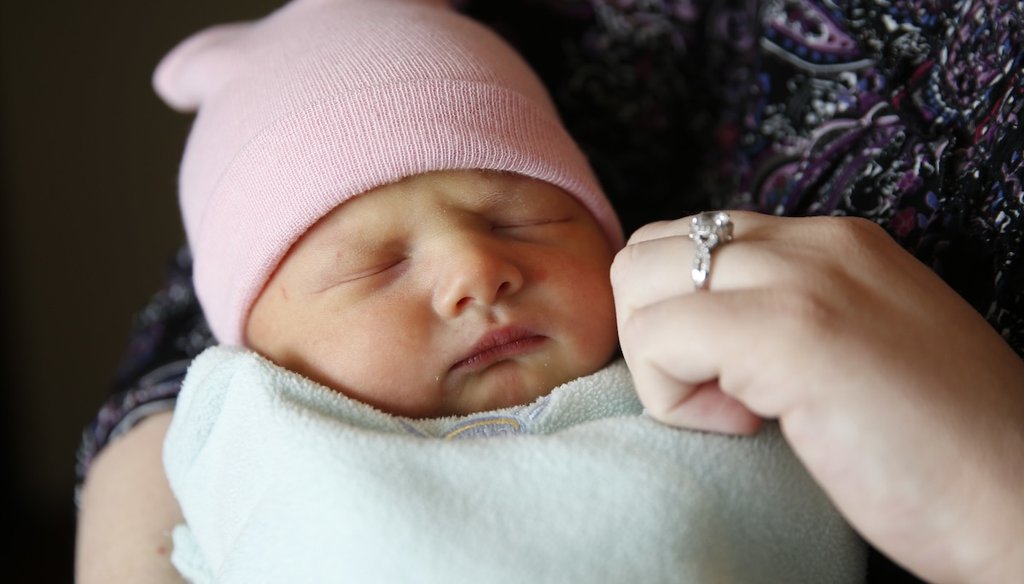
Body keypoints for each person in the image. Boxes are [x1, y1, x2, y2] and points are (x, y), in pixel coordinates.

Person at [75, 1, 1024, 582]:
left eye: (524, 218)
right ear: (251, 340)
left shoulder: (705, 387)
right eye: (373, 265)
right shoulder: (245, 432)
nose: (474, 270)